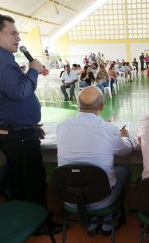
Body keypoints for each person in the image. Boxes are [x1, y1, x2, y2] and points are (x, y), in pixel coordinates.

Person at [0, 14, 47, 206]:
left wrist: (28, 125)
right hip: (16, 134)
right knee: (32, 180)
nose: (19, 38)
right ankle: (38, 223)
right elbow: (18, 91)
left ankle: (25, 218)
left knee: (21, 179)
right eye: (13, 33)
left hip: (18, 131)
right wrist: (33, 70)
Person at [57, 86, 133, 235]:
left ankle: (94, 219)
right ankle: (109, 216)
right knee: (123, 171)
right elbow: (126, 151)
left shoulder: (61, 127)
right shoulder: (108, 129)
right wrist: (124, 136)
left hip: (70, 199)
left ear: (78, 104)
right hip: (102, 199)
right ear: (102, 106)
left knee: (91, 176)